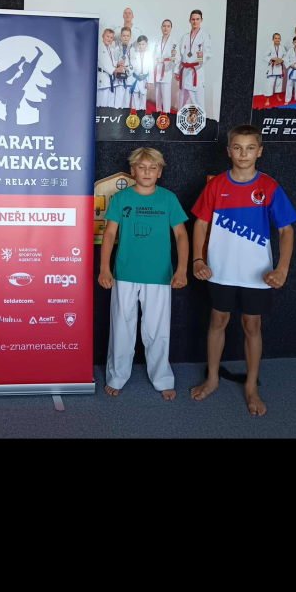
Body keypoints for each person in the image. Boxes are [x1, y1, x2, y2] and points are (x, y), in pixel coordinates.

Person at [190, 124, 296, 417]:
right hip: (220, 271)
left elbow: (286, 231)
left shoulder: (269, 187)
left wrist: (282, 268)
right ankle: (212, 379)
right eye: (237, 148)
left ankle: (251, 386)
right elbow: (200, 224)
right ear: (228, 151)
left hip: (257, 274)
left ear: (259, 152)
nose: (243, 153)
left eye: (250, 148)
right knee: (217, 321)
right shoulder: (216, 185)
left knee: (252, 327)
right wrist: (198, 260)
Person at [99, 147, 189, 401]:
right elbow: (109, 234)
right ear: (132, 171)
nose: (147, 172)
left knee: (157, 330)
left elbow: (181, 235)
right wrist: (104, 268)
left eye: (153, 168)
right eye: (142, 167)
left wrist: (182, 269)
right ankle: (117, 376)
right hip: (125, 274)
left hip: (159, 275)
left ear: (160, 172)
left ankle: (162, 378)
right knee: (121, 327)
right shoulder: (121, 199)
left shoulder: (168, 199)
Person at [175, 9, 212, 113]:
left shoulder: (205, 36)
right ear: (189, 20)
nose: (195, 21)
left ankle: (199, 122)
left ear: (201, 20)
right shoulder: (185, 37)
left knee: (197, 101)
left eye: (197, 19)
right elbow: (179, 55)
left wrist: (203, 55)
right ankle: (180, 120)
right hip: (185, 72)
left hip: (196, 72)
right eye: (193, 19)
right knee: (181, 100)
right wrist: (177, 71)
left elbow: (209, 53)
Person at [151, 19, 178, 114]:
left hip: (166, 71)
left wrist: (173, 56)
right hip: (157, 70)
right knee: (157, 95)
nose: (166, 28)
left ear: (171, 28)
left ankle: (167, 115)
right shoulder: (158, 41)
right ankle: (158, 113)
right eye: (164, 26)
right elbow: (153, 55)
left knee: (166, 96)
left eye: (168, 26)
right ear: (161, 27)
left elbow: (176, 59)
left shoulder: (174, 42)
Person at [127, 34, 152, 112]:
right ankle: (135, 114)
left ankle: (142, 113)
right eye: (139, 44)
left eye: (143, 44)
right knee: (135, 96)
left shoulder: (149, 55)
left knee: (143, 97)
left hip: (144, 79)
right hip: (135, 79)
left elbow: (151, 69)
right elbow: (131, 67)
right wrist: (127, 70)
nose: (141, 46)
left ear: (146, 44)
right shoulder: (134, 55)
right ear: (137, 45)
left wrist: (149, 82)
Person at [97, 30, 121, 109]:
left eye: (111, 37)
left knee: (110, 101)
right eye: (107, 36)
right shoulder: (99, 48)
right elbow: (103, 62)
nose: (109, 39)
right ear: (102, 36)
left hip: (110, 77)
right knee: (102, 100)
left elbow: (112, 62)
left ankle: (108, 115)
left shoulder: (111, 49)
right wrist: (114, 70)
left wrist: (118, 64)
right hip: (103, 76)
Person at [263, 33, 286, 107]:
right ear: (273, 39)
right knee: (269, 84)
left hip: (279, 68)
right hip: (272, 69)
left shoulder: (282, 48)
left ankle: (278, 96)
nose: (277, 40)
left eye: (278, 38)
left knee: (279, 83)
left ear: (280, 39)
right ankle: (267, 100)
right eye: (275, 38)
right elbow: (265, 56)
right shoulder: (270, 47)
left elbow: (285, 56)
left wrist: (281, 60)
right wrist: (272, 58)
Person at [114, 27, 133, 109]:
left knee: (127, 100)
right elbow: (113, 63)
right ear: (121, 36)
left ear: (130, 37)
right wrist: (118, 65)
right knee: (118, 99)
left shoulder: (133, 50)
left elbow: (135, 65)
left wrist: (128, 69)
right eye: (124, 36)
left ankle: (125, 116)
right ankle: (117, 115)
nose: (126, 38)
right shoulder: (116, 49)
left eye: (127, 36)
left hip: (129, 77)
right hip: (119, 77)